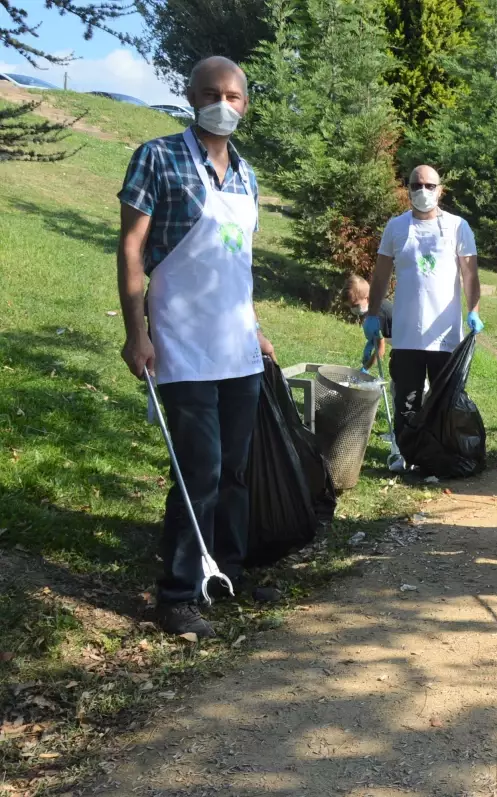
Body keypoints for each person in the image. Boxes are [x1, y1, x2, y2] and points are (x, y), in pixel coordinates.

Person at [117, 56, 274, 637]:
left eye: (234, 96)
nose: (223, 104)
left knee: (234, 470)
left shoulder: (247, 176)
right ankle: (177, 592)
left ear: (245, 104)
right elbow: (131, 247)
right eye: (211, 93)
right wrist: (138, 332)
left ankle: (223, 572)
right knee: (198, 469)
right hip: (180, 345)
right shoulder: (157, 157)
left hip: (237, 348)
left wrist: (254, 329)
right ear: (190, 96)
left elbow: (238, 264)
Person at [364, 165, 483, 444]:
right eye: (417, 185)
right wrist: (372, 315)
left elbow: (470, 273)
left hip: (444, 334)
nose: (423, 191)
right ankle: (408, 454)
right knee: (407, 400)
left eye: (430, 186)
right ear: (408, 189)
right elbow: (381, 274)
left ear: (440, 191)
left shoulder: (457, 227)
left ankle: (441, 453)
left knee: (444, 400)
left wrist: (473, 310)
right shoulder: (396, 227)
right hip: (406, 335)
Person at [346, 274, 392, 372]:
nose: (353, 309)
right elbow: (378, 338)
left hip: (411, 346)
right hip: (400, 345)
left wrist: (365, 368)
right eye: (351, 306)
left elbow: (381, 349)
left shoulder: (379, 314)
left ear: (367, 298)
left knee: (405, 379)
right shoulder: (371, 307)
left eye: (355, 305)